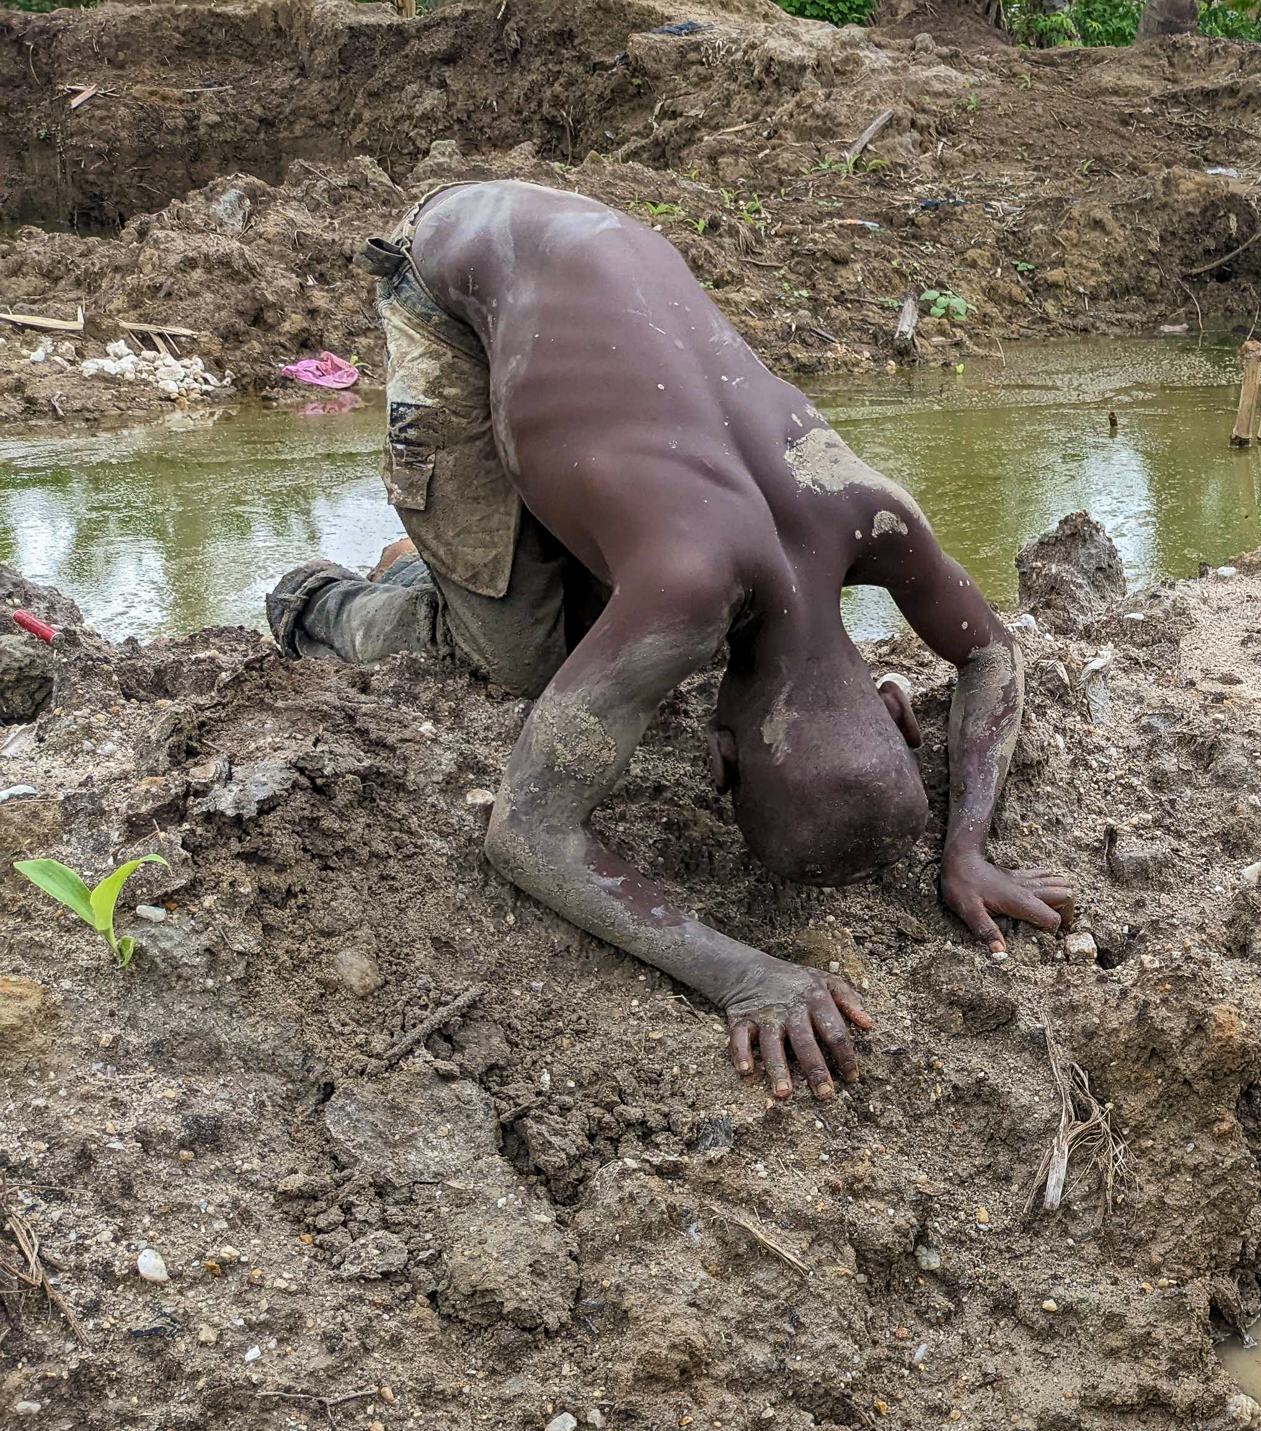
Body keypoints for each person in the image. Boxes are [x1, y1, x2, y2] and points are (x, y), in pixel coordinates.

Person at [265, 181, 1072, 1098]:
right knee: (519, 662)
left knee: (614, 587)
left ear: (891, 706)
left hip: (586, 245)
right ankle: (318, 601)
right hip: (451, 275)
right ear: (719, 752)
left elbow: (990, 654)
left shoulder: (865, 506)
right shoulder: (687, 594)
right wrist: (743, 974)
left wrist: (972, 841)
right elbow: (524, 832)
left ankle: (469, 552)